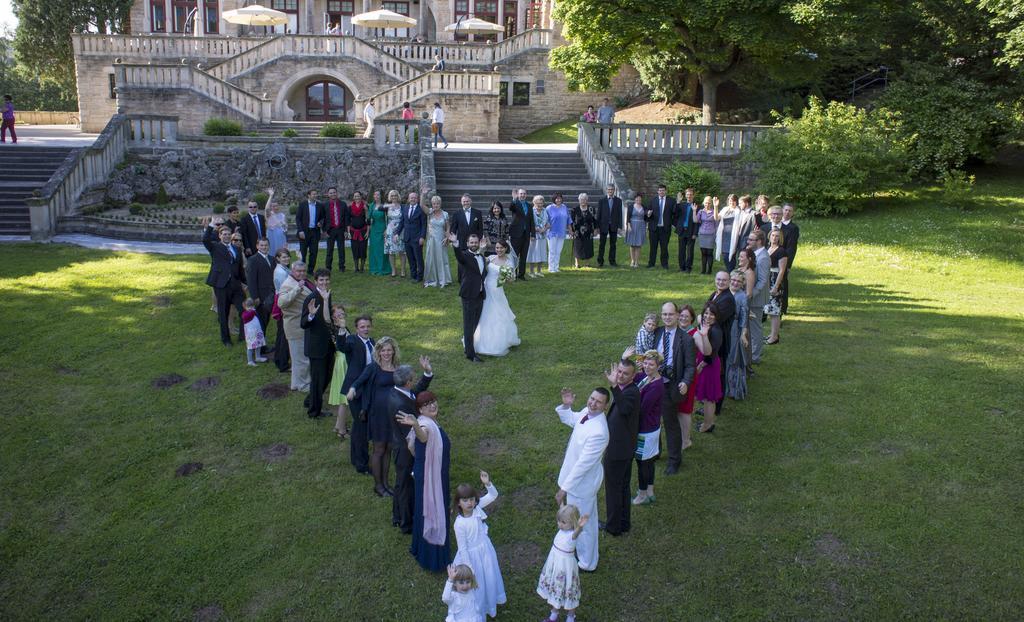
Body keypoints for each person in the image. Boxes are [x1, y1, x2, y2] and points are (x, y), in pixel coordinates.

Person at [554, 387, 610, 572]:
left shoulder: (599, 432)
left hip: (582, 485)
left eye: (598, 402)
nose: (593, 403)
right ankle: (585, 555)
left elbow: (582, 465)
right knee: (587, 519)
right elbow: (573, 420)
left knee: (582, 523)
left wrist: (564, 488)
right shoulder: (587, 413)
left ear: (605, 406)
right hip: (577, 483)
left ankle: (587, 563)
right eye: (592, 398)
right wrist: (566, 405)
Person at [398, 391, 452, 572]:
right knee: (432, 509)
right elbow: (423, 436)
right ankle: (432, 557)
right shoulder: (424, 424)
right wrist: (415, 425)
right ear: (420, 410)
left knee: (425, 508)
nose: (433, 405)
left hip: (435, 473)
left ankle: (419, 547)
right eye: (427, 404)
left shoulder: (431, 422)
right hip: (431, 476)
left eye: (434, 401)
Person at [349, 336, 402, 495]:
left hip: (392, 414)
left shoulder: (396, 367)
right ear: (378, 352)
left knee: (389, 448)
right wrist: (352, 389)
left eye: (389, 350)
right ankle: (378, 486)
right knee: (379, 449)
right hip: (378, 415)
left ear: (393, 351)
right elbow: (359, 381)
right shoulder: (373, 367)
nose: (386, 353)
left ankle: (386, 483)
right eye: (383, 350)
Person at [451, 471, 506, 618]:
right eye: (465, 500)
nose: (469, 503)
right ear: (458, 503)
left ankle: (490, 602)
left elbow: (493, 496)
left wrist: (488, 483)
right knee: (478, 584)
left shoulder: (477, 508)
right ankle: (478, 610)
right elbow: (462, 548)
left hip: (485, 551)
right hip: (471, 557)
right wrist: (469, 568)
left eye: (471, 499)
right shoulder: (459, 524)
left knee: (489, 576)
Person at [651, 302, 696, 475]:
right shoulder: (657, 332)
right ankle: (655, 451)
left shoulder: (686, 339)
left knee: (670, 423)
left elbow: (691, 366)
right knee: (652, 420)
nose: (667, 318)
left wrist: (685, 382)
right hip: (653, 382)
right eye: (664, 314)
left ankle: (674, 460)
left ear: (677, 315)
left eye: (670, 314)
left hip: (670, 385)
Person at [389, 359, 434, 533]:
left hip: (400, 445)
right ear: (407, 382)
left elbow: (414, 393)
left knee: (402, 483)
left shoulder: (399, 392)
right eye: (413, 379)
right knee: (405, 486)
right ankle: (406, 523)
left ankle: (398, 515)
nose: (414, 381)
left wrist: (427, 374)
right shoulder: (400, 405)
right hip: (405, 450)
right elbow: (411, 435)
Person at [601, 359, 640, 536]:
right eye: (619, 372)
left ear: (633, 376)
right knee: (623, 487)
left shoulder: (632, 392)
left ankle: (613, 526)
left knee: (614, 489)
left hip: (618, 450)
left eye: (625, 373)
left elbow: (624, 409)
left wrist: (614, 387)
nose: (620, 376)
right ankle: (623, 523)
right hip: (623, 448)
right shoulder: (626, 390)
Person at [536, 504, 588, 622]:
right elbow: (562, 511)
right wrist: (560, 503)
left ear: (573, 522)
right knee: (557, 590)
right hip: (556, 566)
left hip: (566, 569)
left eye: (563, 522)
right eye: (559, 521)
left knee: (569, 591)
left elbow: (576, 533)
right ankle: (553, 615)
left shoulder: (572, 535)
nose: (560, 524)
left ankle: (570, 617)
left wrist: (579, 527)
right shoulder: (562, 530)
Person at [337, 314, 375, 474]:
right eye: (362, 327)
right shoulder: (352, 340)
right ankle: (362, 464)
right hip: (355, 390)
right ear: (356, 329)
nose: (365, 329)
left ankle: (356, 458)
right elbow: (342, 347)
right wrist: (341, 329)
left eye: (367, 326)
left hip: (369, 389)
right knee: (361, 425)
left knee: (361, 426)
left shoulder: (373, 342)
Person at [473, 239, 521, 357]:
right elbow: (477, 259)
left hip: (497, 290)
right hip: (485, 288)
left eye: (501, 248)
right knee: (484, 313)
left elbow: (510, 280)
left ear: (506, 249)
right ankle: (479, 338)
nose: (499, 250)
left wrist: (506, 276)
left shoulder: (508, 262)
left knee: (498, 313)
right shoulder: (491, 258)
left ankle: (499, 341)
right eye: (497, 248)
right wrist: (482, 248)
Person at [202, 217, 245, 346]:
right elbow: (205, 239)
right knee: (223, 313)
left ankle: (243, 336)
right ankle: (226, 339)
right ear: (220, 236)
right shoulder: (215, 247)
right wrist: (211, 225)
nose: (226, 236)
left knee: (244, 310)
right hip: (222, 285)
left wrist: (245, 282)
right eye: (224, 234)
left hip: (236, 285)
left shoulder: (236, 249)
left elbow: (239, 267)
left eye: (228, 234)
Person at [301, 268, 336, 419]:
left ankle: (310, 400)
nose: (324, 282)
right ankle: (314, 412)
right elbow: (303, 323)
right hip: (316, 347)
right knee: (318, 379)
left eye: (326, 279)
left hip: (328, 344)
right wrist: (310, 315)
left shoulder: (328, 295)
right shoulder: (311, 298)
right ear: (315, 281)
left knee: (327, 376)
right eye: (321, 280)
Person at [631, 349, 665, 505]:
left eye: (651, 364)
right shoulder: (645, 377)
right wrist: (624, 358)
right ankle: (650, 490)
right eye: (645, 363)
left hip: (646, 430)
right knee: (649, 461)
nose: (647, 367)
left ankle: (642, 494)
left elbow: (642, 410)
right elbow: (631, 376)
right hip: (651, 428)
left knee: (642, 463)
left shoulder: (656, 386)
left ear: (658, 366)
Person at [449, 232, 487, 362]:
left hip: (480, 294)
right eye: (471, 242)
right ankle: (471, 354)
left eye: (475, 242)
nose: (474, 244)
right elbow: (459, 256)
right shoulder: (464, 256)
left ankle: (469, 346)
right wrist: (455, 244)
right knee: (468, 324)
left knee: (475, 323)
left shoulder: (481, 257)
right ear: (467, 243)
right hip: (469, 295)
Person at [278, 261, 312, 391]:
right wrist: (297, 288)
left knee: (302, 358)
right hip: (295, 327)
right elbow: (281, 303)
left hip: (303, 326)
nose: (302, 273)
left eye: (303, 271)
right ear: (292, 271)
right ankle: (302, 385)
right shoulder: (288, 284)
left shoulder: (302, 281)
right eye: (299, 271)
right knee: (300, 359)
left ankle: (298, 382)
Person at [707, 271, 736, 418]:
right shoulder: (715, 294)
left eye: (724, 280)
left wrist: (703, 319)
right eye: (718, 279)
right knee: (712, 373)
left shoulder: (728, 299)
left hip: (720, 343)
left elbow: (714, 319)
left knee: (719, 374)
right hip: (711, 339)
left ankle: (716, 406)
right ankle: (710, 405)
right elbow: (706, 311)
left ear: (729, 281)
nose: (720, 282)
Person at [694, 303, 724, 433]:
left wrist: (701, 364)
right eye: (706, 313)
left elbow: (713, 352)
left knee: (708, 398)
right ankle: (708, 422)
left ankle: (707, 425)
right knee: (707, 396)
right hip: (705, 362)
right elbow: (699, 318)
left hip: (709, 365)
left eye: (711, 314)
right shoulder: (707, 325)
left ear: (716, 316)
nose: (708, 316)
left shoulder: (716, 331)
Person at [676, 305, 701, 452]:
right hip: (677, 375)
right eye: (681, 316)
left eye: (686, 316)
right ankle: (681, 435)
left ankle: (686, 440)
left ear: (692, 318)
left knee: (685, 409)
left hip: (688, 376)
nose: (683, 318)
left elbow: (705, 352)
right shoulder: (677, 331)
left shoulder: (694, 333)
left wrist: (700, 365)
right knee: (678, 408)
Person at [245, 238, 276, 353]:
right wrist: (255, 297)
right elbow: (251, 281)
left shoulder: (272, 259)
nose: (264, 247)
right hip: (260, 297)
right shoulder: (253, 260)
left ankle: (262, 344)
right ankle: (261, 347)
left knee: (266, 320)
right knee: (261, 321)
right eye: (262, 245)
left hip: (270, 295)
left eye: (266, 245)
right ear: (257, 246)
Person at [726, 270, 750, 400]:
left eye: (739, 281)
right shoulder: (723, 291)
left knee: (732, 357)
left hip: (734, 329)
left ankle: (732, 388)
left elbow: (744, 317)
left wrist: (743, 334)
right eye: (733, 280)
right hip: (721, 327)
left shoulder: (742, 296)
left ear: (742, 284)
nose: (735, 283)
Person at [327, 305, 351, 440]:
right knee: (344, 399)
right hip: (342, 362)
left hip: (343, 360)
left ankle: (338, 425)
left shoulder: (343, 327)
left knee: (344, 398)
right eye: (339, 314)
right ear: (333, 317)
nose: (342, 316)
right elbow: (339, 345)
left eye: (343, 314)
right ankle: (342, 430)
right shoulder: (335, 329)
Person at [748, 230, 770, 363]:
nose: (748, 242)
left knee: (755, 328)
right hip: (752, 297)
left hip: (756, 299)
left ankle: (755, 357)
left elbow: (762, 281)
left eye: (751, 240)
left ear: (759, 241)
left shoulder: (763, 258)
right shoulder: (756, 254)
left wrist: (750, 294)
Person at [764, 228, 789, 345]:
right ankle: (772, 333)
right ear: (769, 236)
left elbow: (782, 270)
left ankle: (774, 337)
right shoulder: (767, 249)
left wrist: (776, 286)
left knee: (774, 310)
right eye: (773, 235)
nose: (774, 238)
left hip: (775, 280)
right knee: (769, 309)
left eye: (777, 236)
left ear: (780, 238)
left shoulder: (781, 251)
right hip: (767, 279)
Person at [423, 196, 453, 288]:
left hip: (441, 239)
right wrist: (422, 195)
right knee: (431, 258)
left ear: (440, 204)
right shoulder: (430, 213)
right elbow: (421, 205)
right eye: (434, 203)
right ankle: (432, 278)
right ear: (432, 204)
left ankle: (444, 278)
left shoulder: (445, 214)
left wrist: (447, 238)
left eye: (438, 203)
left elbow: (448, 227)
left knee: (442, 259)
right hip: (431, 239)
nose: (436, 205)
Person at [271, 248, 292, 372]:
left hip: (281, 300)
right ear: (278, 258)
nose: (287, 259)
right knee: (284, 334)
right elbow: (286, 289)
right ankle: (283, 363)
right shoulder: (280, 272)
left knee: (281, 333)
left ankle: (279, 359)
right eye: (283, 257)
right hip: (283, 302)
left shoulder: (284, 269)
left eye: (288, 256)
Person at [397, 192, 426, 282]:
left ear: (417, 199)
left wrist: (422, 237)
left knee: (418, 258)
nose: (413, 199)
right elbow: (402, 222)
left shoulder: (420, 209)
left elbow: (424, 225)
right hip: (407, 238)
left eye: (414, 198)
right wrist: (397, 233)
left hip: (417, 238)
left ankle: (420, 276)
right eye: (411, 198)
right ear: (409, 199)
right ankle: (413, 275)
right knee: (410, 258)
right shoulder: (405, 208)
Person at [646, 184, 676, 269]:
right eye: (660, 190)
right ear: (657, 191)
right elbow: (647, 210)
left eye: (663, 190)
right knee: (653, 247)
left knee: (664, 247)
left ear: (666, 191)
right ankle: (651, 263)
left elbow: (675, 213)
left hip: (665, 228)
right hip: (654, 228)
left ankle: (664, 264)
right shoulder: (653, 200)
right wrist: (648, 213)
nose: (661, 192)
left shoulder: (671, 201)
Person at [295, 189, 325, 271]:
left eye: (316, 194)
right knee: (303, 253)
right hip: (304, 232)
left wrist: (321, 222)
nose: (315, 196)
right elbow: (298, 218)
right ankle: (302, 270)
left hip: (315, 232)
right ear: (309, 195)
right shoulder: (302, 205)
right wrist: (300, 230)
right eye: (313, 194)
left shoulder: (320, 205)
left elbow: (323, 217)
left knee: (314, 253)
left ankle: (310, 270)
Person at [508, 188, 534, 280]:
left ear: (526, 195)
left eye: (524, 193)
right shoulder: (515, 204)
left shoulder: (529, 206)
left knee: (524, 255)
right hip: (516, 233)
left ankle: (521, 275)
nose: (522, 195)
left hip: (526, 234)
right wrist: (514, 199)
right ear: (518, 195)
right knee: (514, 255)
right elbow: (510, 207)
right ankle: (513, 274)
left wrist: (533, 234)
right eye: (521, 194)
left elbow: (531, 220)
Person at [323, 186, 349, 272]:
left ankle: (342, 267)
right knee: (329, 250)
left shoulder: (343, 204)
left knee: (341, 250)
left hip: (341, 230)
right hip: (330, 230)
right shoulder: (325, 205)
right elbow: (322, 218)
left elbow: (346, 218)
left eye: (334, 192)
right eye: (331, 193)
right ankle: (328, 268)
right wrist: (324, 230)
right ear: (328, 194)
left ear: (336, 193)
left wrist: (346, 230)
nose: (333, 194)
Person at [780, 203, 800, 314]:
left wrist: (787, 264)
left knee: (783, 283)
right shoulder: (776, 224)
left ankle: (783, 307)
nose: (787, 212)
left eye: (790, 211)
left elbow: (792, 248)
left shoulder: (793, 228)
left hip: (784, 259)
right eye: (786, 210)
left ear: (792, 213)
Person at [596, 185, 622, 268]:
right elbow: (598, 214)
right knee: (602, 244)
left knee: (613, 245)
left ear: (614, 190)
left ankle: (612, 261)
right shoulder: (602, 201)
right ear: (606, 190)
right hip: (603, 225)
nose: (610, 191)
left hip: (614, 225)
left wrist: (619, 226)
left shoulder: (618, 201)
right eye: (609, 189)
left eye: (612, 189)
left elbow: (620, 214)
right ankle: (600, 261)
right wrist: (597, 227)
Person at [367, 190, 392, 276]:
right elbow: (368, 218)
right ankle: (375, 268)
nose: (377, 196)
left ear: (381, 196)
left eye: (378, 194)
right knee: (374, 249)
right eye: (375, 194)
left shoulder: (385, 206)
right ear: (373, 196)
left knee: (382, 249)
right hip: (374, 230)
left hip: (382, 229)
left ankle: (383, 268)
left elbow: (389, 218)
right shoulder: (371, 206)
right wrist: (369, 218)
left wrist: (386, 229)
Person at [544, 193, 570, 273]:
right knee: (552, 251)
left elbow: (568, 219)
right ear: (554, 199)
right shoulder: (549, 208)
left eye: (560, 198)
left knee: (558, 251)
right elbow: (545, 219)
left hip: (561, 232)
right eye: (557, 198)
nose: (558, 200)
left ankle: (556, 267)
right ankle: (551, 268)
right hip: (552, 232)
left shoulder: (564, 207)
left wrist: (570, 230)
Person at [570, 194, 596, 269]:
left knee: (588, 246)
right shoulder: (574, 209)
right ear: (579, 200)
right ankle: (577, 263)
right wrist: (571, 230)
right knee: (577, 247)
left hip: (589, 231)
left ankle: (587, 263)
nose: (583, 201)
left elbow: (595, 220)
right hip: (577, 232)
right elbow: (571, 221)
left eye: (584, 199)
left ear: (587, 200)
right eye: (581, 199)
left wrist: (596, 229)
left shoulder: (591, 208)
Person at [676, 187, 698, 272]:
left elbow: (697, 222)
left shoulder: (696, 206)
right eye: (688, 194)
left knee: (690, 251)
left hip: (691, 231)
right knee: (681, 250)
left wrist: (695, 233)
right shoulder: (682, 205)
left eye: (691, 195)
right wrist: (678, 202)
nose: (689, 196)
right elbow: (676, 213)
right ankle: (682, 267)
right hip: (682, 231)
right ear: (685, 195)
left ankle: (688, 267)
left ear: (693, 195)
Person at [526, 195, 548, 277]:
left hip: (542, 236)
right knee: (533, 253)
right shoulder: (531, 211)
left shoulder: (545, 211)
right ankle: (531, 272)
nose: (539, 205)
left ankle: (539, 271)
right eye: (538, 203)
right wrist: (537, 229)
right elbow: (528, 224)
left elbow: (548, 223)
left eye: (541, 203)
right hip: (533, 236)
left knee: (542, 253)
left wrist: (544, 229)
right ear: (534, 203)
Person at [348, 190, 369, 272]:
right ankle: (356, 268)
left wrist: (366, 210)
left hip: (363, 231)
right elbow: (348, 220)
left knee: (363, 249)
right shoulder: (350, 207)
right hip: (353, 232)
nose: (357, 197)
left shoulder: (365, 206)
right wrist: (349, 232)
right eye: (355, 196)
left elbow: (368, 220)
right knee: (355, 249)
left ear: (361, 197)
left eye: (358, 196)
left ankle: (362, 268)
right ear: (353, 198)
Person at [696, 196, 718, 274]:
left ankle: (709, 270)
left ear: (711, 204)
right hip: (702, 234)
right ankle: (703, 270)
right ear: (703, 203)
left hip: (711, 234)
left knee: (709, 253)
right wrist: (694, 211)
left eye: (709, 203)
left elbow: (716, 219)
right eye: (706, 203)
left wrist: (716, 207)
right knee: (703, 253)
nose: (707, 204)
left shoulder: (713, 211)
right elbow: (696, 220)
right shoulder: (701, 212)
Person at [241, 299, 267, 366]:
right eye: (248, 307)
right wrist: (252, 311)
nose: (250, 308)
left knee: (258, 344)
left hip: (257, 332)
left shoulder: (254, 312)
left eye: (251, 306)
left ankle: (258, 357)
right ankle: (250, 361)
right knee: (250, 347)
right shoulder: (245, 314)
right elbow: (245, 317)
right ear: (245, 307)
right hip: (251, 334)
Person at [624, 193, 646, 268]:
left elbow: (646, 217)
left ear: (641, 199)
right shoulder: (631, 207)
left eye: (640, 199)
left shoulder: (644, 207)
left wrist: (648, 214)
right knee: (632, 245)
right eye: (637, 199)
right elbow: (628, 217)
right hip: (632, 226)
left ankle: (637, 261)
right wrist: (629, 225)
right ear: (635, 199)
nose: (638, 200)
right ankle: (632, 260)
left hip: (641, 226)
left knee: (638, 245)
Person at [265, 189, 288, 257]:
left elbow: (286, 229)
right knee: (273, 256)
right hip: (273, 239)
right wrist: (271, 196)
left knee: (283, 255)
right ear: (271, 207)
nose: (275, 207)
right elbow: (266, 209)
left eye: (276, 206)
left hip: (282, 239)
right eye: (273, 206)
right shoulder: (269, 215)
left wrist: (285, 229)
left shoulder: (283, 215)